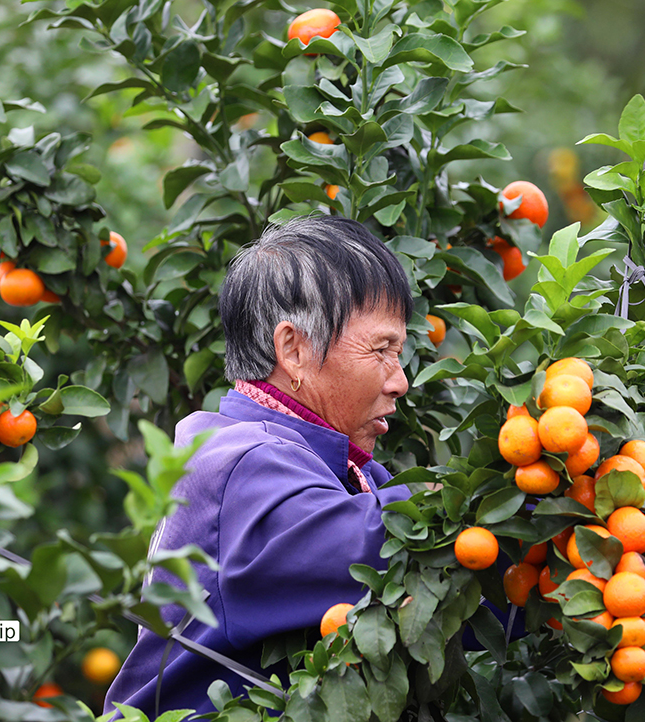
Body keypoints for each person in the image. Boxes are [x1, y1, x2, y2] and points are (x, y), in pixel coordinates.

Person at [104, 215, 414, 717]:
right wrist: (503, 490)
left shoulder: (350, 472)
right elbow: (386, 549)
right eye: (381, 350)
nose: (399, 381)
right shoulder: (241, 463)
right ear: (293, 349)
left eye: (399, 353)